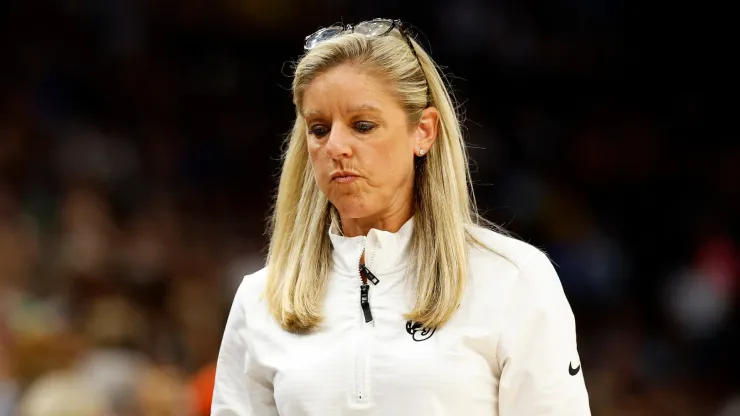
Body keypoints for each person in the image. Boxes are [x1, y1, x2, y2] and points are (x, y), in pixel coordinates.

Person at [212, 18, 591, 415]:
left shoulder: (514, 279)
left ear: (423, 131)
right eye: (319, 129)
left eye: (362, 125)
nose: (336, 146)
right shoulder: (261, 299)